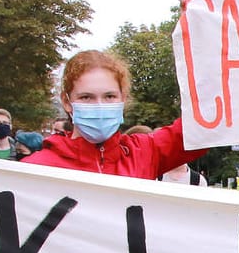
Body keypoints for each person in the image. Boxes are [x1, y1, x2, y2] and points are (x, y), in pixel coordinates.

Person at [24, 51, 205, 179]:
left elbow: (205, 126)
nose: (100, 106)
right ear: (66, 101)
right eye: (86, 97)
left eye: (109, 96)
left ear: (123, 98)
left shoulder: (144, 153)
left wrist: (200, 28)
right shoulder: (36, 170)